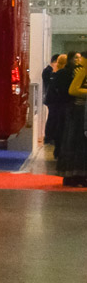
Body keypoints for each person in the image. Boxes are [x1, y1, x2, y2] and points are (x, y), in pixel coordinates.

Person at [57, 53, 87, 186]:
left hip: (79, 112)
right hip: (79, 113)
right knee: (77, 144)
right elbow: (73, 90)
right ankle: (75, 175)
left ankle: (76, 175)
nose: (78, 60)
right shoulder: (81, 71)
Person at [47, 53, 70, 158]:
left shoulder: (54, 74)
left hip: (55, 104)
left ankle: (56, 147)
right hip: (60, 105)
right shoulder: (63, 75)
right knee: (60, 127)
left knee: (56, 125)